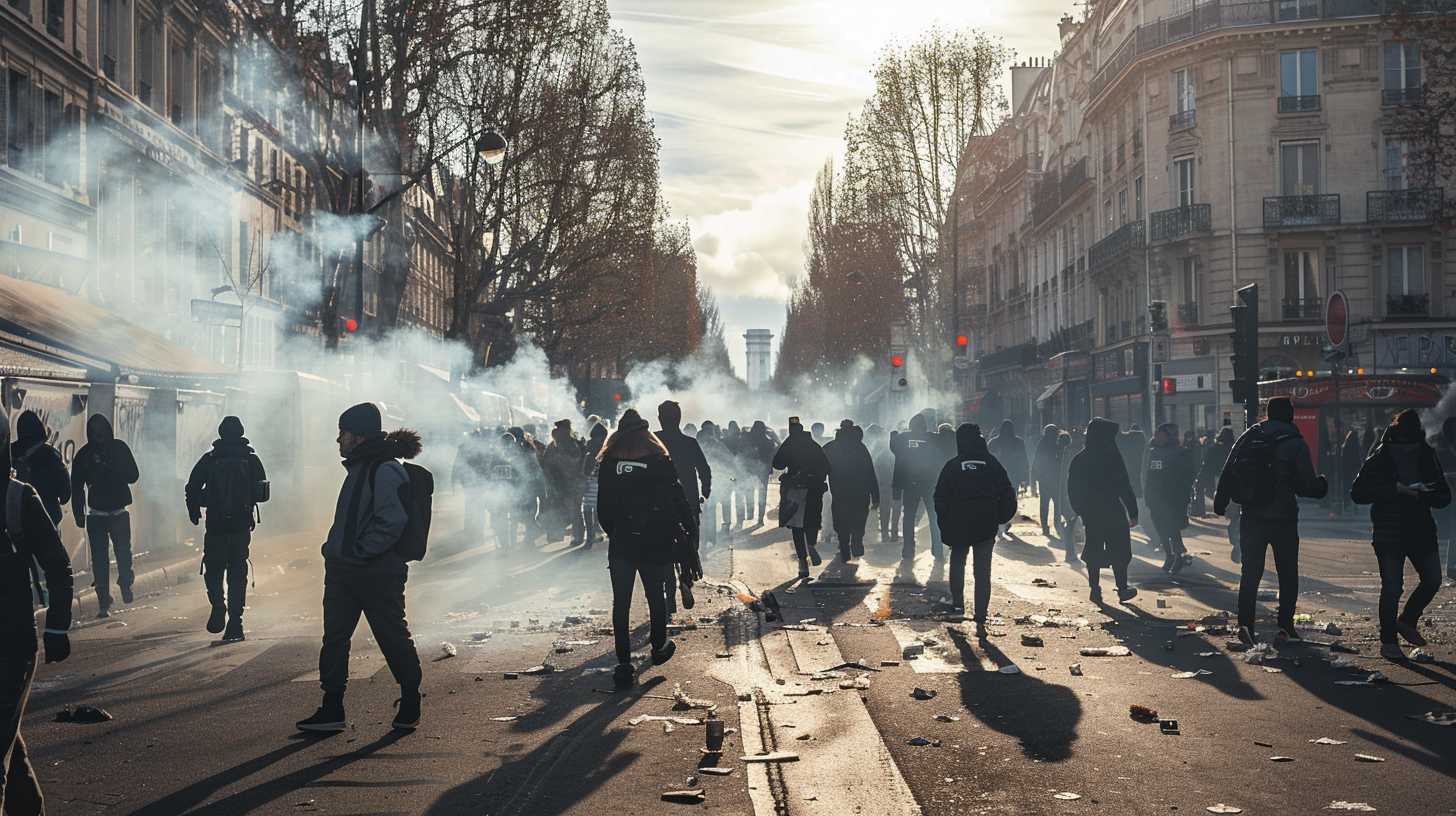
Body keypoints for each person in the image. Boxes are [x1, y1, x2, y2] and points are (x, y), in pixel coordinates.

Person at [297, 403, 423, 733]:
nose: (339, 439)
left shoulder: (384, 469)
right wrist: (336, 551)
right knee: (335, 639)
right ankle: (332, 706)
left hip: (375, 571)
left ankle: (410, 700)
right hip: (344, 570)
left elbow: (391, 521)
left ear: (359, 435)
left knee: (392, 635)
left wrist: (359, 552)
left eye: (344, 433)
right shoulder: (359, 467)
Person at [1, 410, 73, 816]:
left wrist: (58, 628)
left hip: (10, 641)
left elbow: (58, 566)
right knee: (8, 742)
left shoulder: (17, 496)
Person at [1213, 397, 1328, 646]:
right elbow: (1307, 484)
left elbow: (1228, 469)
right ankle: (1285, 626)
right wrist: (1322, 486)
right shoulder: (1294, 442)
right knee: (1287, 574)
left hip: (1251, 515)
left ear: (1268, 413)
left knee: (1250, 573)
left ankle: (1245, 625)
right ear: (1290, 415)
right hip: (1283, 517)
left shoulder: (1249, 436)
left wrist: (1220, 502)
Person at [596, 409, 698, 687]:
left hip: (622, 541)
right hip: (654, 538)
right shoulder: (658, 458)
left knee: (622, 603)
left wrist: (617, 532)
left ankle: (624, 663)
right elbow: (676, 497)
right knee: (655, 595)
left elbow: (602, 509)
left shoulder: (609, 462)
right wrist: (684, 531)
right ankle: (658, 646)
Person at [1351, 409, 1449, 660]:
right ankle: (1389, 638)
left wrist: (1418, 493)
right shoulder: (1382, 455)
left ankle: (1404, 622)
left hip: (1414, 529)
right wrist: (1396, 491)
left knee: (1421, 581)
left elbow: (1443, 496)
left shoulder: (1423, 454)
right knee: (1402, 585)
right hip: (1395, 530)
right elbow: (1359, 492)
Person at [184, 416, 268, 642]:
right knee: (237, 573)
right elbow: (263, 492)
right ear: (241, 433)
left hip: (216, 526)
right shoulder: (251, 460)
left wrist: (195, 511)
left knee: (213, 569)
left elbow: (191, 487)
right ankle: (235, 622)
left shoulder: (210, 459)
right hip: (241, 526)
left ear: (221, 433)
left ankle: (218, 605)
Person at [934, 423, 1017, 637]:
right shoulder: (991, 463)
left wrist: (945, 523)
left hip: (959, 524)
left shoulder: (952, 465)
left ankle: (958, 605)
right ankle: (981, 613)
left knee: (957, 562)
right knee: (982, 571)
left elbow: (940, 497)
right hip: (985, 524)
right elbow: (1008, 492)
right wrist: (1001, 518)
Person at [70, 414, 140, 618]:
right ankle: (116, 590)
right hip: (112, 512)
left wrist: (79, 514)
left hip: (101, 514)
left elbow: (76, 488)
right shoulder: (116, 448)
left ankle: (109, 598)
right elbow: (133, 476)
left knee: (102, 559)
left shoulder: (85, 454)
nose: (98, 436)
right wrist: (78, 514)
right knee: (120, 553)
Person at [1067, 418, 1140, 604]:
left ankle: (1095, 589)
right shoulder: (1113, 457)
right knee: (1120, 549)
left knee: (1094, 549)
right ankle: (1122, 589)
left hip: (1091, 513)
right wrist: (1133, 510)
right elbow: (1124, 485)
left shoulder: (1080, 459)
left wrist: (1081, 511)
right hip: (1113, 510)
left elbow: (1072, 489)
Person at [656, 401, 710, 612]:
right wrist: (706, 490)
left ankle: (669, 594)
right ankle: (686, 578)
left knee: (663, 548)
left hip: (659, 504)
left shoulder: (654, 441)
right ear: (679, 418)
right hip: (688, 503)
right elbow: (704, 469)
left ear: (660, 418)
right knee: (690, 543)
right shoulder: (689, 443)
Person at [772, 418, 831, 578]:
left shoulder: (790, 445)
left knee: (797, 527)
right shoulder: (814, 446)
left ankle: (803, 562)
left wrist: (786, 442)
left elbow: (777, 463)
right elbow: (827, 466)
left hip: (795, 491)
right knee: (811, 522)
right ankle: (811, 545)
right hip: (813, 491)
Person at [823, 420, 879, 561]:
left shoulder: (831, 447)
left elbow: (819, 467)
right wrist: (875, 495)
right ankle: (856, 540)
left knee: (841, 520)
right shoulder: (860, 447)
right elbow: (870, 472)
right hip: (861, 492)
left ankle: (844, 546)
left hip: (839, 492)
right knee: (859, 518)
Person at [1145, 423, 1196, 574]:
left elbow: (1187, 477)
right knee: (1161, 528)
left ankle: (1177, 556)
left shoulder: (1180, 453)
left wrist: (1182, 497)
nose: (1156, 436)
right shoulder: (1153, 452)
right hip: (1156, 498)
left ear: (1168, 436)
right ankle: (1170, 555)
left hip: (1172, 499)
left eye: (1160, 434)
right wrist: (1148, 495)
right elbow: (1150, 475)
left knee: (1172, 529)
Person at [893, 413, 944, 560]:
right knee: (934, 517)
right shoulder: (933, 437)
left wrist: (894, 432)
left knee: (909, 517)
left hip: (910, 484)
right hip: (930, 484)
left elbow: (893, 446)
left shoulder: (903, 438)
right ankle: (938, 549)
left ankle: (908, 550)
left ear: (910, 425)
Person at [9, 411, 69, 526]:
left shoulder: (10, 452)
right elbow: (65, 489)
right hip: (48, 515)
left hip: (18, 515)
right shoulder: (51, 454)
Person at [542, 420, 587, 546]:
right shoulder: (562, 444)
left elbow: (573, 462)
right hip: (566, 483)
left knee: (573, 510)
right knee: (569, 510)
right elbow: (547, 464)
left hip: (570, 483)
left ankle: (576, 536)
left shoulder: (568, 445)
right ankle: (568, 535)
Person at [1207, 426, 1240, 561]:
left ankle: (1235, 540)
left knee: (1231, 513)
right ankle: (1237, 541)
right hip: (1236, 482)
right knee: (1236, 513)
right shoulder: (1236, 447)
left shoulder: (1215, 449)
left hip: (1220, 479)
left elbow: (1208, 466)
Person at [1118, 424, 1151, 547]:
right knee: (1141, 513)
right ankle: (1157, 539)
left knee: (1132, 513)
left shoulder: (1122, 446)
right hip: (1137, 485)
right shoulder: (1142, 447)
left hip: (1126, 485)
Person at [868, 425, 900, 542]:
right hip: (894, 486)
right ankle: (893, 532)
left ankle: (886, 534)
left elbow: (875, 471)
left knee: (885, 511)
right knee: (894, 510)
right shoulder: (898, 454)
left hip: (883, 486)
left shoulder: (881, 454)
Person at [582, 421, 609, 548]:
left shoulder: (589, 446)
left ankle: (590, 537)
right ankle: (595, 534)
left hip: (589, 481)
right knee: (598, 510)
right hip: (600, 482)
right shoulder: (605, 447)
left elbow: (585, 468)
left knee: (587, 509)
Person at [988, 419, 1028, 500]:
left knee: (999, 497)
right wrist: (1024, 477)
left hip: (998, 474)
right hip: (1014, 474)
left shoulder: (993, 442)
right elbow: (1024, 461)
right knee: (1012, 496)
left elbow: (988, 460)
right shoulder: (1019, 442)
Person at [1032, 424, 1061, 536]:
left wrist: (1034, 479)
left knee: (1044, 504)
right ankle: (1057, 524)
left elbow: (1036, 461)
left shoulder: (1042, 444)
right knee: (1057, 503)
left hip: (1044, 479)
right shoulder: (1057, 444)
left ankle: (1045, 527)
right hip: (1055, 479)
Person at [1341, 428, 1365, 514]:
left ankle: (1347, 504)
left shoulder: (1345, 446)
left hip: (1346, 470)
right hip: (1354, 470)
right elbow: (1358, 459)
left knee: (1346, 487)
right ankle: (1354, 506)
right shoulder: (1356, 447)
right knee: (1354, 487)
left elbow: (1343, 459)